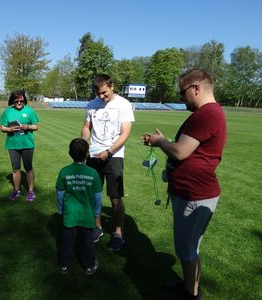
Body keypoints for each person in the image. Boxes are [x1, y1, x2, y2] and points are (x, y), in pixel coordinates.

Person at [142, 69, 227, 300]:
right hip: (191, 192)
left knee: (187, 249)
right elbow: (188, 149)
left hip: (195, 194)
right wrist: (164, 143)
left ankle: (191, 294)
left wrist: (160, 142)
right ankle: (189, 286)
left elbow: (180, 152)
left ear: (196, 88)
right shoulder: (208, 113)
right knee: (189, 247)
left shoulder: (207, 114)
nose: (181, 99)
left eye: (182, 93)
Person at [81, 74, 135, 251]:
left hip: (114, 155)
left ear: (112, 86)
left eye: (104, 93)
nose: (102, 97)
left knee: (115, 196)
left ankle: (118, 233)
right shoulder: (91, 105)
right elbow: (86, 127)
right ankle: (97, 227)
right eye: (98, 94)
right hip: (94, 155)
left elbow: (125, 133)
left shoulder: (124, 105)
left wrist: (109, 152)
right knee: (94, 194)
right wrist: (84, 145)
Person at [55, 138, 102, 275]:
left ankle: (64, 265)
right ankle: (89, 266)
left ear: (70, 153)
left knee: (67, 242)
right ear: (87, 154)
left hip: (69, 213)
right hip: (87, 214)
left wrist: (60, 210)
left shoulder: (64, 171)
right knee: (88, 242)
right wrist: (97, 213)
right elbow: (97, 197)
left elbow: (60, 194)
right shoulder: (93, 173)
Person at [0, 90, 39, 201]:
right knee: (16, 169)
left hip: (27, 144)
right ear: (12, 100)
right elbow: (2, 127)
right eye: (16, 100)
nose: (19, 102)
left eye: (21, 100)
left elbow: (36, 126)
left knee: (28, 168)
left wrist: (27, 127)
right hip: (13, 144)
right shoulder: (8, 112)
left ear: (24, 100)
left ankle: (31, 191)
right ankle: (16, 191)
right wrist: (9, 129)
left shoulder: (29, 111)